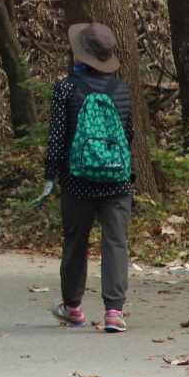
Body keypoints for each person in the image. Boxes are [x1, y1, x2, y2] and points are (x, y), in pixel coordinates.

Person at [43, 21, 135, 333]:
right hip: (117, 180)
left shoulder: (65, 88)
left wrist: (50, 174)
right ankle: (113, 313)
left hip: (77, 178)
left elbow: (57, 138)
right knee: (115, 242)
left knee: (75, 242)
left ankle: (72, 308)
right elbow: (128, 134)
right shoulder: (121, 89)